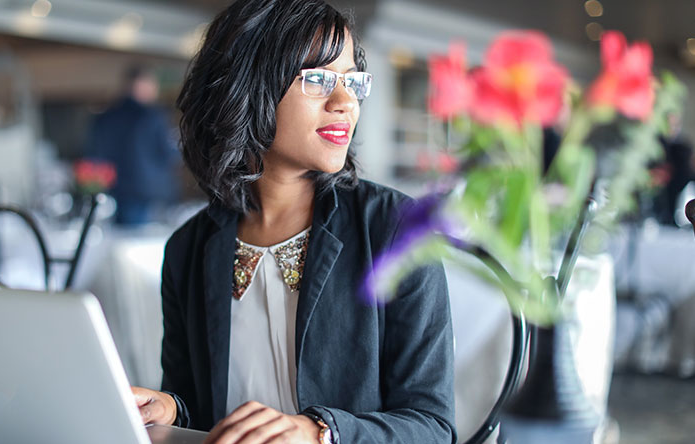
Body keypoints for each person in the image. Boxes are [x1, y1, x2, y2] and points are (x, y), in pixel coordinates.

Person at [130, 1, 456, 442]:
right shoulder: (188, 248)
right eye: (318, 79)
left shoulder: (395, 230)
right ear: (248, 84)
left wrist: (319, 434)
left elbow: (433, 428)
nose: (345, 103)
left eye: (353, 81)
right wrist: (170, 407)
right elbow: (200, 404)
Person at [85, 65, 179, 225]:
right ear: (140, 85)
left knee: (124, 239)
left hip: (116, 188)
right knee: (147, 243)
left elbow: (95, 153)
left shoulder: (106, 117)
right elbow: (168, 154)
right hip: (149, 191)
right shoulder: (152, 116)